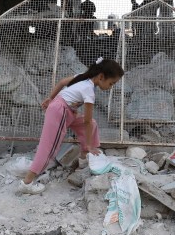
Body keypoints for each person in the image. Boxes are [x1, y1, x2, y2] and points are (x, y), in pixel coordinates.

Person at [20, 58, 125, 194]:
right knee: (49, 147)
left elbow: (62, 82)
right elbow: (86, 120)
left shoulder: (83, 78)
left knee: (92, 125)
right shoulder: (89, 91)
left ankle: (82, 162)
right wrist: (89, 145)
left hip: (66, 110)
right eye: (111, 83)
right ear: (101, 77)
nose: (111, 87)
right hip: (60, 112)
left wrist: (51, 98)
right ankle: (26, 183)